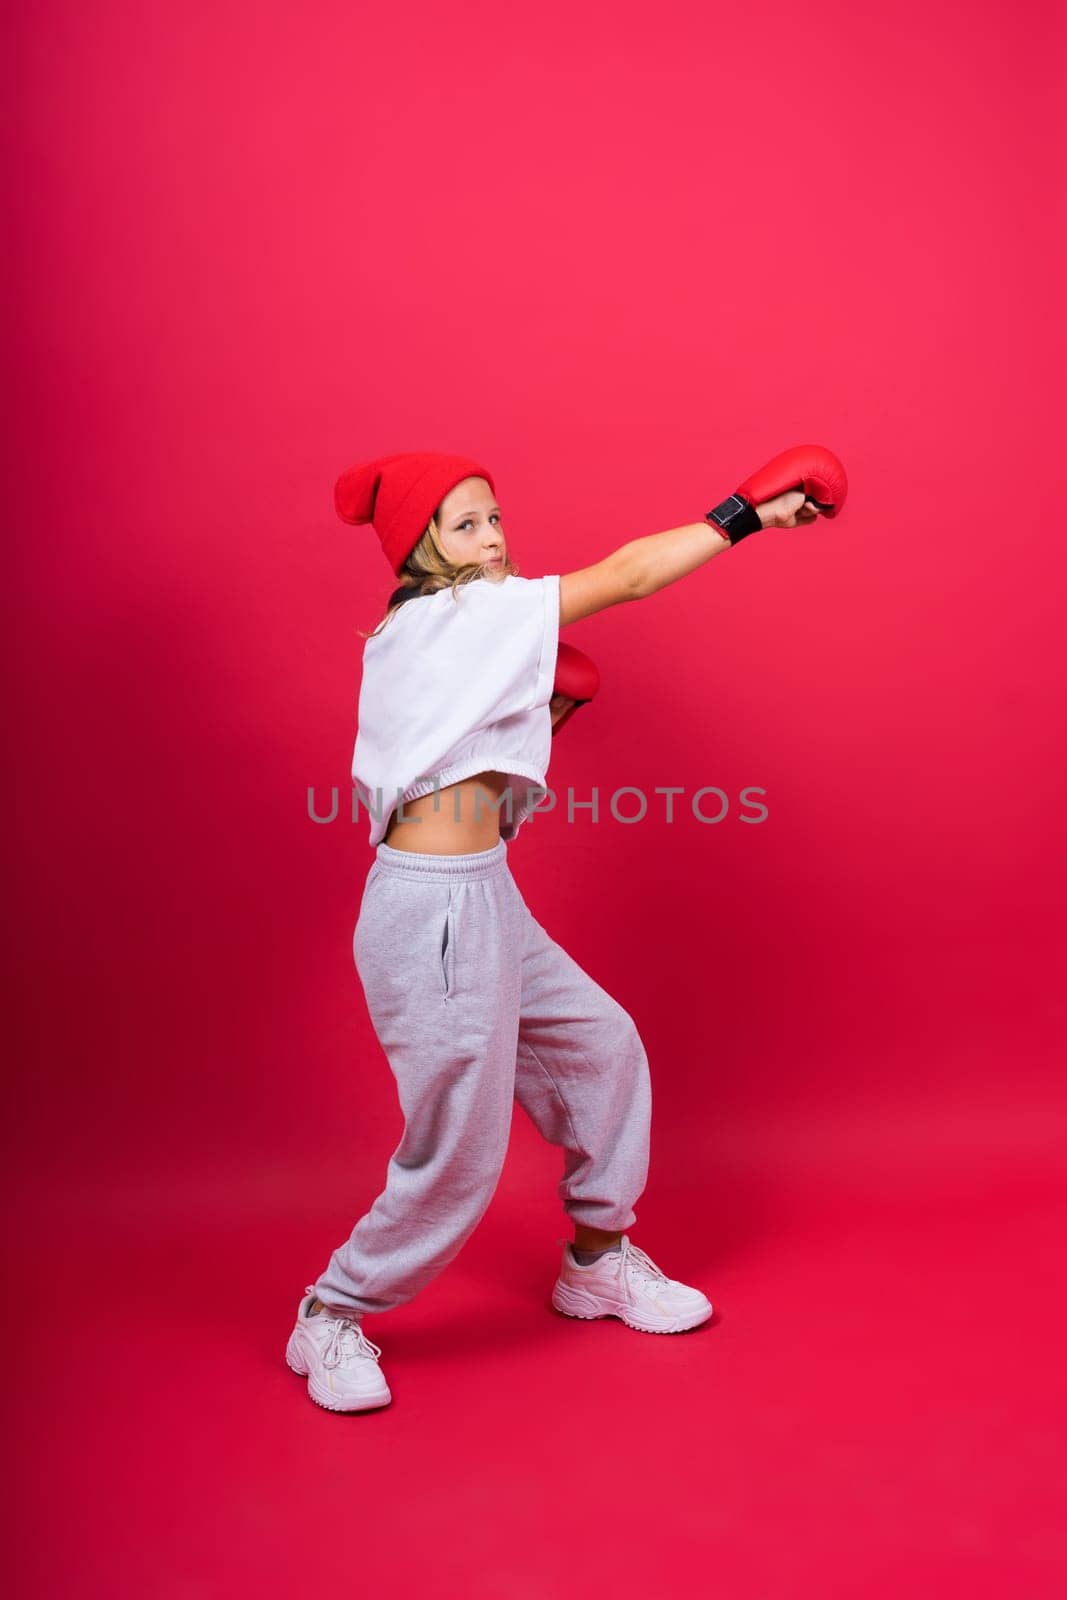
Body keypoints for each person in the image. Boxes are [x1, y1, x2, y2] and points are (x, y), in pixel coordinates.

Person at [285, 445, 846, 1412]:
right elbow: (628, 575)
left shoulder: (425, 636)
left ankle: (595, 1261)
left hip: (481, 889)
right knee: (458, 1150)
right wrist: (742, 513)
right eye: (465, 525)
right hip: (434, 913)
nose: (493, 537)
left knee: (600, 1046)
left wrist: (540, 723)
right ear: (420, 549)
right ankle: (331, 1313)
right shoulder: (459, 613)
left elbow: (473, 800)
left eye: (495, 517)